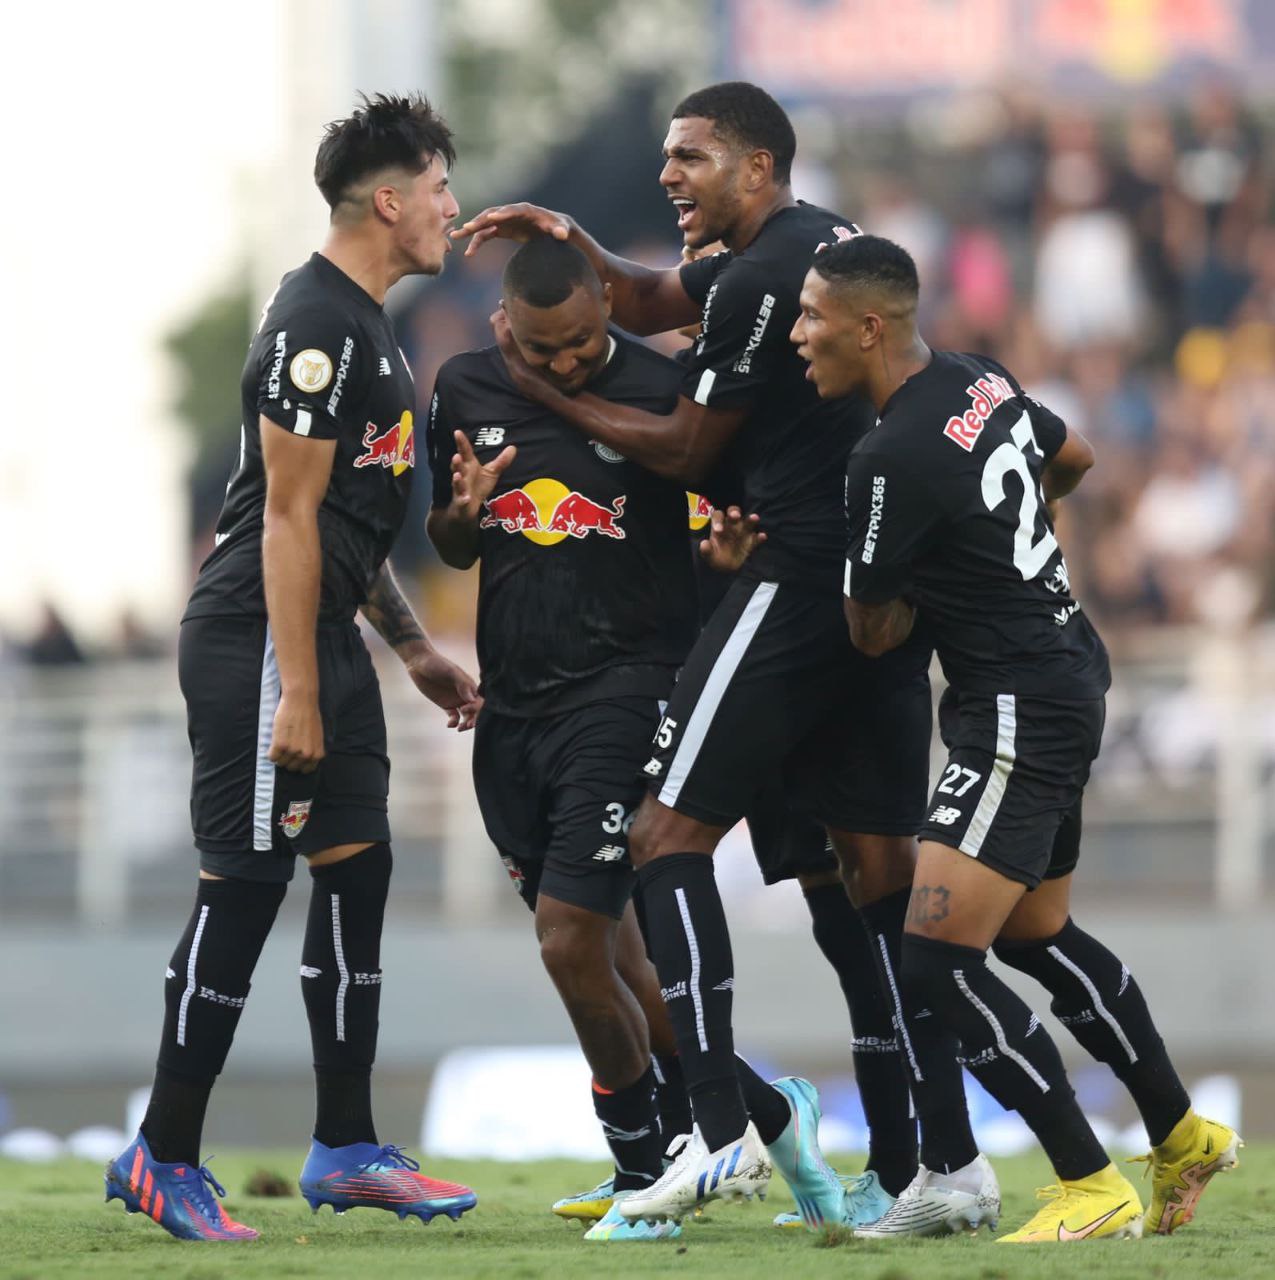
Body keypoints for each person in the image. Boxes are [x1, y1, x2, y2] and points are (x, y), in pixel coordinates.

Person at [452, 81, 969, 1229]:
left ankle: (723, 1131)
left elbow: (688, 447)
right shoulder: (802, 242)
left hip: (795, 583)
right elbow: (638, 290)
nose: (669, 176)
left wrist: (540, 385)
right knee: (865, 892)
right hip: (869, 590)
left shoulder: (757, 276)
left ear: (756, 165)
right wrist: (560, 231)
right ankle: (926, 1161)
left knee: (666, 835)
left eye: (690, 157)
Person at [797, 232, 1240, 1242]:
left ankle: (1089, 1180)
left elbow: (872, 630)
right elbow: (1071, 456)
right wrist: (1006, 553)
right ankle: (1179, 1132)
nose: (799, 334)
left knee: (932, 961)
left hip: (1011, 706)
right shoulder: (976, 379)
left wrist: (938, 581)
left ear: (871, 325)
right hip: (1068, 667)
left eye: (814, 316)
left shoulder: (885, 456)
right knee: (1035, 931)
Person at [105, 94, 480, 1242]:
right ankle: (163, 1152)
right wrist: (302, 688)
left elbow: (348, 528)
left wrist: (410, 643)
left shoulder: (368, 324)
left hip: (321, 633)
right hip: (263, 639)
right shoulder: (316, 323)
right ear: (387, 199)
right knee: (249, 883)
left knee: (358, 873)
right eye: (439, 188)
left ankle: (348, 1146)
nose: (452, 211)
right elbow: (284, 519)